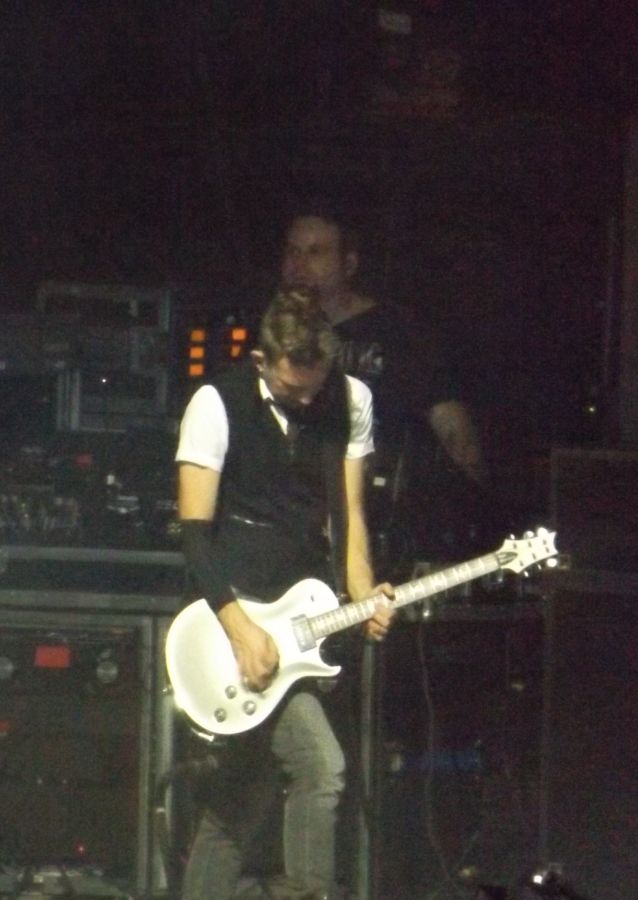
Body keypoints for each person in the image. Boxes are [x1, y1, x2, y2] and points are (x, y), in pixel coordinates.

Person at [174, 289, 394, 899]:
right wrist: (241, 631)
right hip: (233, 624)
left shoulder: (350, 399)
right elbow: (194, 534)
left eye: (313, 389)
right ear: (261, 360)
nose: (305, 402)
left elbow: (349, 514)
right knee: (322, 769)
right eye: (291, 390)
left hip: (307, 621)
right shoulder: (215, 403)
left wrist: (362, 595)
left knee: (241, 799)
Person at [279, 207, 488, 570]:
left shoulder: (395, 331)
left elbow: (451, 424)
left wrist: (473, 512)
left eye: (315, 252)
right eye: (293, 252)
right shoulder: (277, 333)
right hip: (294, 517)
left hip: (379, 521)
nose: (299, 264)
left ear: (348, 264)